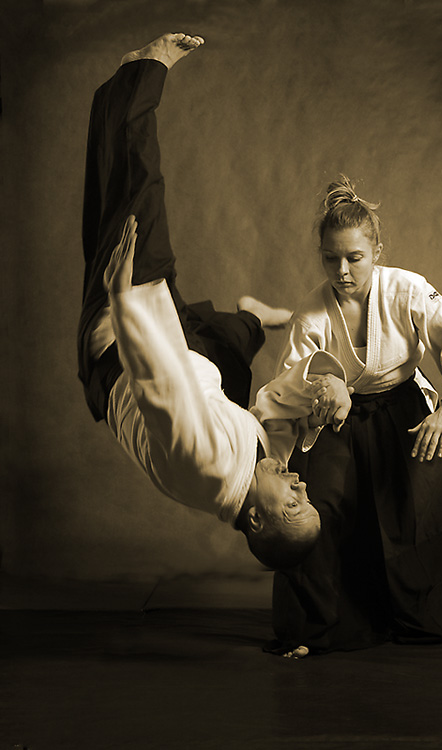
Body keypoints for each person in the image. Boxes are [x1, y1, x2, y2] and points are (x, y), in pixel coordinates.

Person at [253, 175, 442, 655]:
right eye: (331, 258)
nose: (342, 270)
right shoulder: (311, 313)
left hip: (403, 409)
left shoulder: (408, 289)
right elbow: (289, 384)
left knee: (438, 503)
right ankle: (309, 628)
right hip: (338, 423)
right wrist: (325, 386)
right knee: (321, 509)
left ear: (377, 251)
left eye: (355, 257)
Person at [76, 32, 321, 570]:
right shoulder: (252, 473)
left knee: (136, 196)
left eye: (294, 500)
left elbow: (157, 379)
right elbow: (270, 413)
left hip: (125, 342)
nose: (300, 484)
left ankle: (142, 73)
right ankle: (253, 317)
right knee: (231, 354)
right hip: (189, 356)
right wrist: (319, 396)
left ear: (255, 519)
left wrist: (124, 298)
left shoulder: (207, 463)